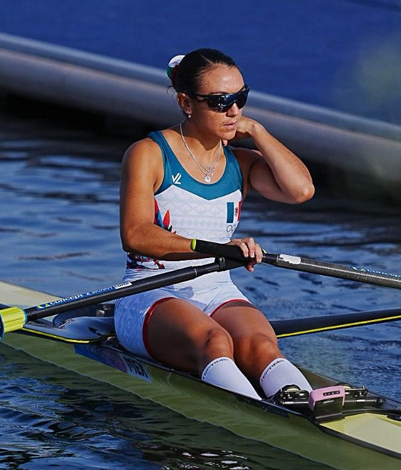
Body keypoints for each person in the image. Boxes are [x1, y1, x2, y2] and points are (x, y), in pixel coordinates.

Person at [114, 48, 315, 400]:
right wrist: (218, 250)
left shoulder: (243, 163)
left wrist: (258, 130)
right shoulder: (149, 153)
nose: (234, 110)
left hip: (216, 289)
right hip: (150, 291)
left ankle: (302, 406)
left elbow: (301, 190)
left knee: (261, 346)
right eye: (221, 101)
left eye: (241, 98)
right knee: (216, 340)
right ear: (186, 103)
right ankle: (258, 416)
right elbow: (135, 235)